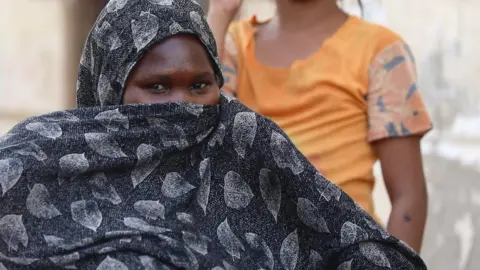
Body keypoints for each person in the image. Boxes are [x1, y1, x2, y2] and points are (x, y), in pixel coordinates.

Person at [0, 0, 427, 269]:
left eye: (200, 86)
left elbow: (398, 205)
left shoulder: (242, 136)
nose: (183, 104)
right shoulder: (41, 162)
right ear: (109, 86)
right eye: (158, 87)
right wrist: (221, 14)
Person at [207, 0, 432, 252]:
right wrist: (219, 12)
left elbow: (408, 197)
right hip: (254, 253)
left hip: (348, 255)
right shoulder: (233, 44)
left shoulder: (379, 51)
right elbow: (194, 132)